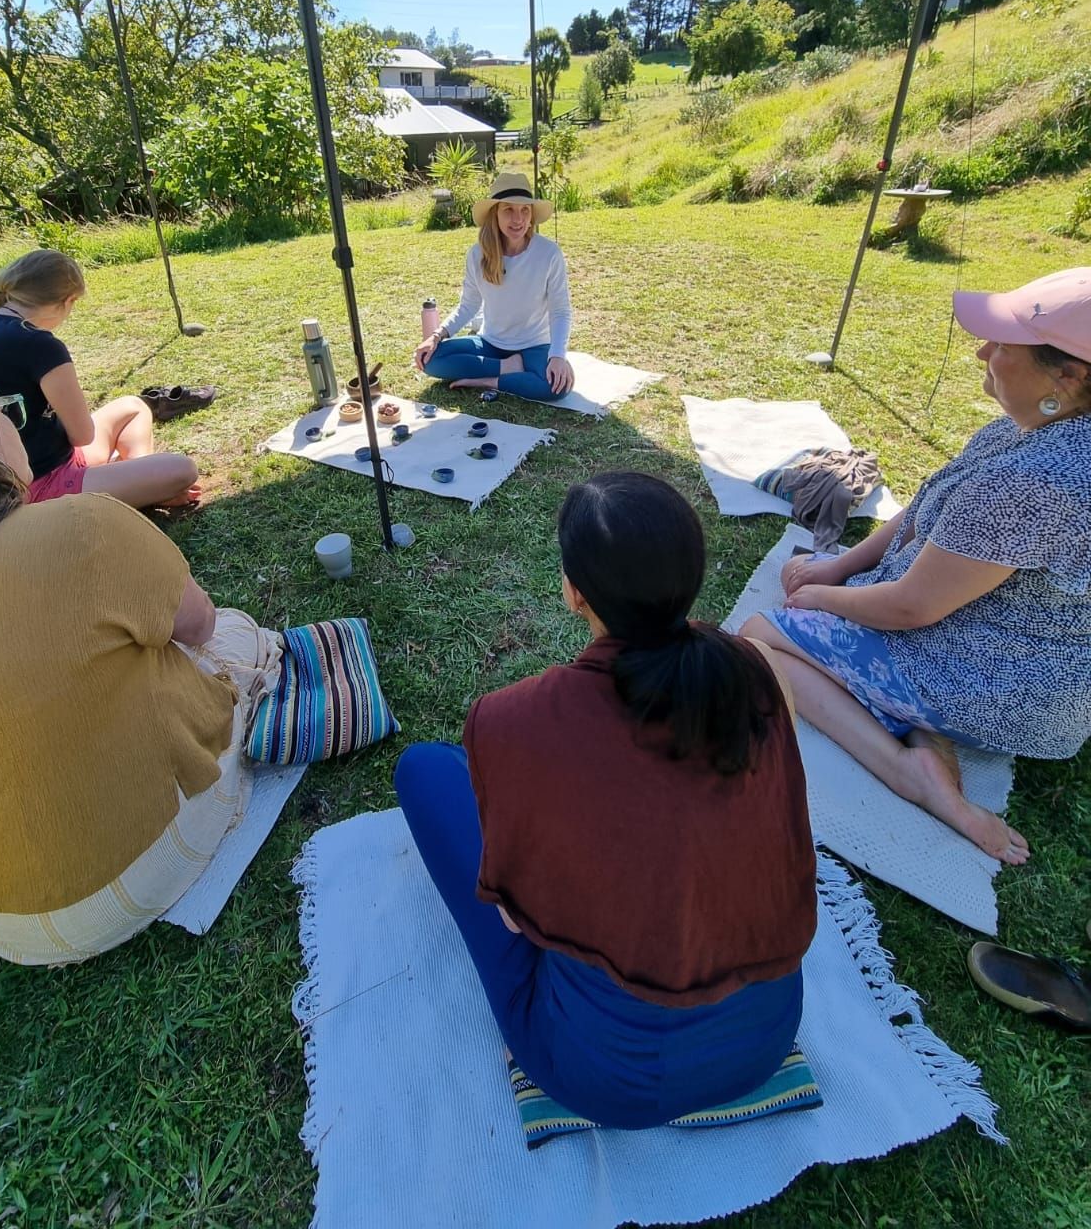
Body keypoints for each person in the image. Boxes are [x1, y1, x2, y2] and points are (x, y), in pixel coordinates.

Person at [395, 471, 817, 1129]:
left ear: (573, 592)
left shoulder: (513, 722)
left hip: (606, 1081)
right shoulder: (760, 670)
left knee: (425, 770)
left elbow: (516, 922)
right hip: (762, 1044)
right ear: (692, 575)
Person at [0, 352, 280, 965]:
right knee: (233, 633)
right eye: (5, 411)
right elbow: (198, 625)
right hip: (111, 890)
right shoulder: (81, 526)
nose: (16, 428)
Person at [742, 268, 1091, 866]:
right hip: (1003, 644)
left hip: (1005, 680)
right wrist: (838, 567)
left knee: (757, 639)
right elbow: (922, 511)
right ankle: (917, 728)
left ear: (1069, 376)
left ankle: (909, 770)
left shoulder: (1036, 483)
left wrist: (821, 597)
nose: (984, 350)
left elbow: (911, 607)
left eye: (1004, 344)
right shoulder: (1028, 431)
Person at [0, 250, 199, 508]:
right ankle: (144, 488)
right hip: (42, 481)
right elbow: (82, 435)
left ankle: (137, 482)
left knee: (134, 407)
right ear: (67, 301)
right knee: (184, 469)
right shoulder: (41, 345)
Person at [414, 171, 575, 401]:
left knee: (558, 386)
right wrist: (436, 336)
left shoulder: (549, 253)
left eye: (524, 210)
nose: (518, 219)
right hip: (490, 343)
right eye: (508, 209)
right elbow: (468, 306)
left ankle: (488, 379)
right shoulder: (477, 254)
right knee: (430, 360)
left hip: (535, 346)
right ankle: (508, 368)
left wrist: (558, 356)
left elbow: (560, 311)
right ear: (495, 214)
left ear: (531, 215)